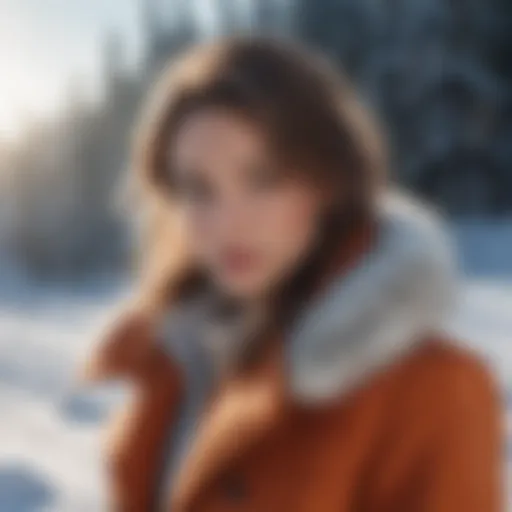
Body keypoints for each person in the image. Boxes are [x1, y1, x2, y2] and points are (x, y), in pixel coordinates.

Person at [83, 38, 503, 511]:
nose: (228, 222)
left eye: (263, 179)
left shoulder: (432, 387)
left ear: (326, 181)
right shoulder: (175, 361)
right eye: (198, 189)